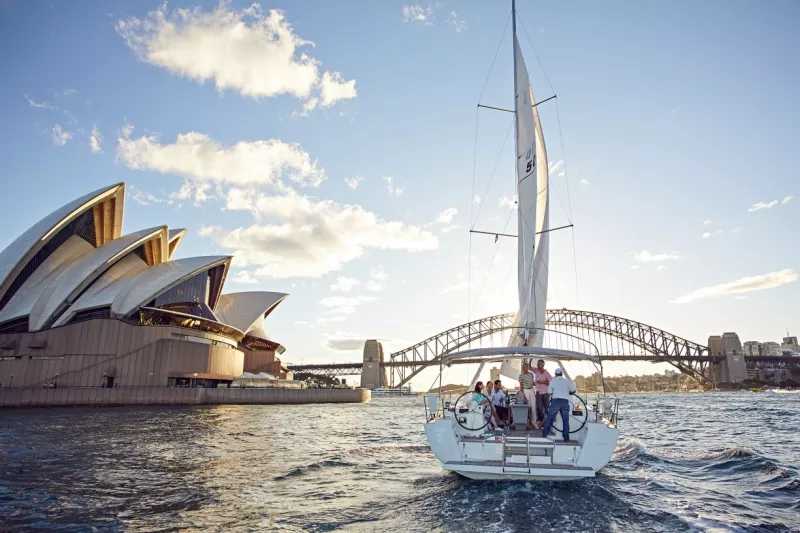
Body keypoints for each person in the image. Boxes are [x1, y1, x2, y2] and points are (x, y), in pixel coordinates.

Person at [541, 368, 577, 442]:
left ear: (555, 374)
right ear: (562, 374)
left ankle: (544, 434)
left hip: (555, 402)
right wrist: (569, 393)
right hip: (565, 402)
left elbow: (549, 392)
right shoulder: (567, 381)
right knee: (565, 421)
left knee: (550, 418)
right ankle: (566, 437)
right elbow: (573, 390)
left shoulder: (552, 381)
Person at [532, 359, 552, 428]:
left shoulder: (547, 373)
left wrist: (542, 382)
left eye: (539, 364)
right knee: (539, 406)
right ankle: (542, 420)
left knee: (546, 407)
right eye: (537, 364)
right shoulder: (536, 370)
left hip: (546, 392)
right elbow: (529, 368)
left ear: (543, 365)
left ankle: (546, 422)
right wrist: (531, 359)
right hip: (538, 392)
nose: (537, 365)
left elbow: (550, 383)